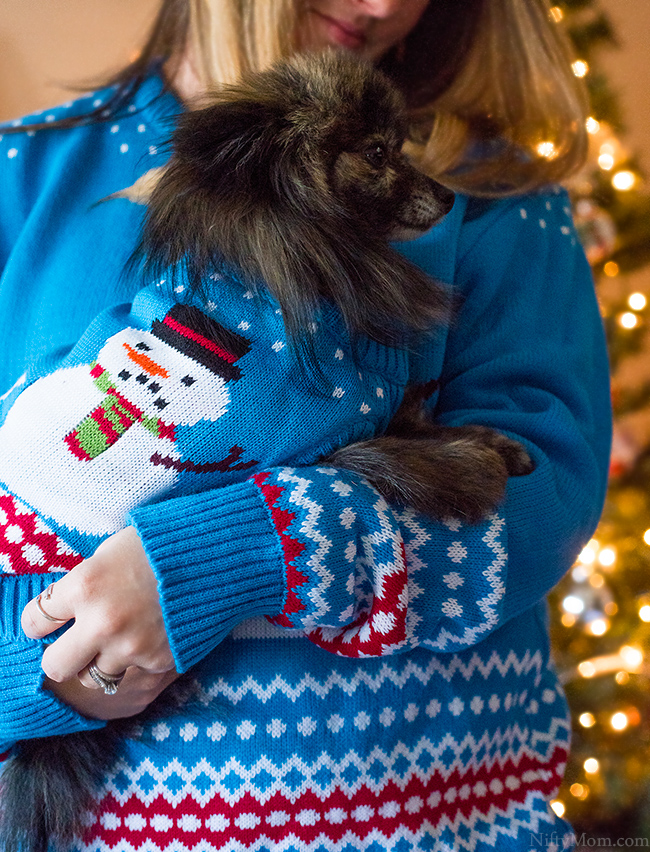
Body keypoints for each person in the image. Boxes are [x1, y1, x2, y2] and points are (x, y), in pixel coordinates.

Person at [0, 1, 611, 850]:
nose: (385, 4)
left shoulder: (487, 195)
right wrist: (40, 675)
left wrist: (259, 549)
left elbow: (543, 496)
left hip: (433, 821)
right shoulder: (24, 175)